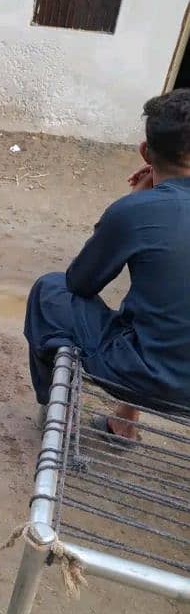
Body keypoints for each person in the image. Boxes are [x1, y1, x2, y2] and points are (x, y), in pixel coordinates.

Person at [24, 88, 190, 441]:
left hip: (144, 377)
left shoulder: (136, 212)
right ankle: (123, 422)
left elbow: (80, 283)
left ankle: (59, 414)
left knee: (49, 290)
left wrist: (131, 206)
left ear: (145, 152)